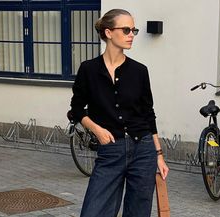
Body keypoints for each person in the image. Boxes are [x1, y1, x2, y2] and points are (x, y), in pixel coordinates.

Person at [70, 8, 169, 217]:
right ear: (108, 33)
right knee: (93, 212)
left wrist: (158, 155)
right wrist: (96, 129)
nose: (131, 35)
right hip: (110, 150)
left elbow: (148, 115)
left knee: (137, 213)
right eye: (126, 30)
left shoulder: (139, 71)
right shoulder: (88, 69)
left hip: (143, 150)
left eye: (133, 30)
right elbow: (76, 109)